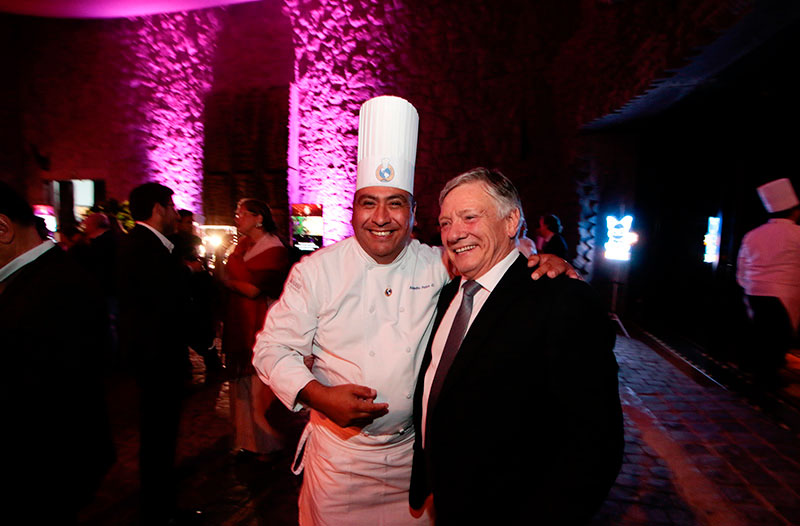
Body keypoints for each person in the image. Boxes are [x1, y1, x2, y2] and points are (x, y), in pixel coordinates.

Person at [252, 96, 577, 526]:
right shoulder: (316, 272)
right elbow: (271, 350)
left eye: (395, 203)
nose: (381, 217)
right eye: (368, 202)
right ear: (353, 209)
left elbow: (493, 259)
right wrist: (318, 395)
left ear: (413, 214)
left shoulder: (439, 262)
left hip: (415, 459)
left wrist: (541, 261)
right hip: (340, 462)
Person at [410, 168, 623, 525]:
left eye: (469, 217)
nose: (454, 233)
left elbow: (596, 446)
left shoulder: (561, 299)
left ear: (511, 222)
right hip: (448, 502)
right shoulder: (449, 295)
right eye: (445, 222)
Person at [0, 181, 114, 524]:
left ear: (3, 228)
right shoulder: (34, 278)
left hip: (40, 476)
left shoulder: (60, 286)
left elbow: (52, 398)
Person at [116, 182, 201, 525]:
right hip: (157, 358)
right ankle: (158, 511)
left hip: (153, 355)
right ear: (157, 209)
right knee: (158, 437)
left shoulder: (143, 244)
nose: (175, 214)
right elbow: (164, 303)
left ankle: (160, 503)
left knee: (160, 436)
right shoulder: (145, 247)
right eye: (171, 207)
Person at [220, 198, 292, 460]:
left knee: (260, 387)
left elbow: (253, 289)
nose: (237, 218)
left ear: (258, 218)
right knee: (242, 387)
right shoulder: (242, 246)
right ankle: (246, 440)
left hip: (262, 324)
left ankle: (267, 443)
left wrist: (230, 282)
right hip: (240, 322)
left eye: (241, 213)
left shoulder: (273, 249)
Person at [736, 177, 800, 387]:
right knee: (778, 338)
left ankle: (756, 372)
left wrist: (747, 285)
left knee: (760, 333)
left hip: (754, 290)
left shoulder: (752, 235)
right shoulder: (797, 234)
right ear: (794, 211)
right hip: (784, 292)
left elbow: (742, 267)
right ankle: (768, 378)